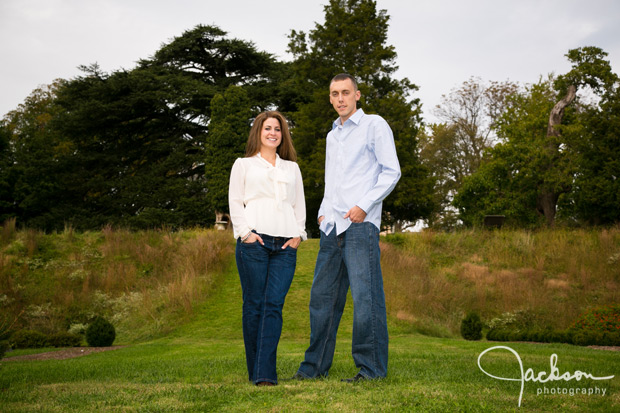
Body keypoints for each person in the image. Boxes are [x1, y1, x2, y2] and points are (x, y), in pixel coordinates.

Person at [295, 73, 401, 382]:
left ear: (357, 95)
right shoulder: (333, 136)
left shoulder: (374, 126)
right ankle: (314, 369)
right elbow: (334, 180)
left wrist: (364, 205)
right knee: (322, 301)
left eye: (345, 92)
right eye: (334, 94)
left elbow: (391, 171)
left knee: (366, 301)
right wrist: (323, 212)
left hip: (360, 225)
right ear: (330, 99)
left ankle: (370, 371)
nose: (340, 98)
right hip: (331, 227)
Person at [229, 111, 307, 386]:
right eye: (267, 128)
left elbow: (298, 204)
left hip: (285, 245)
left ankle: (263, 373)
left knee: (273, 305)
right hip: (255, 243)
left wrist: (299, 234)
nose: (273, 133)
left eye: (278, 129)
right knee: (254, 306)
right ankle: (260, 374)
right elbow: (236, 202)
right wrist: (246, 234)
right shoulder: (244, 165)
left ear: (282, 135)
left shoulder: (291, 168)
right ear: (258, 133)